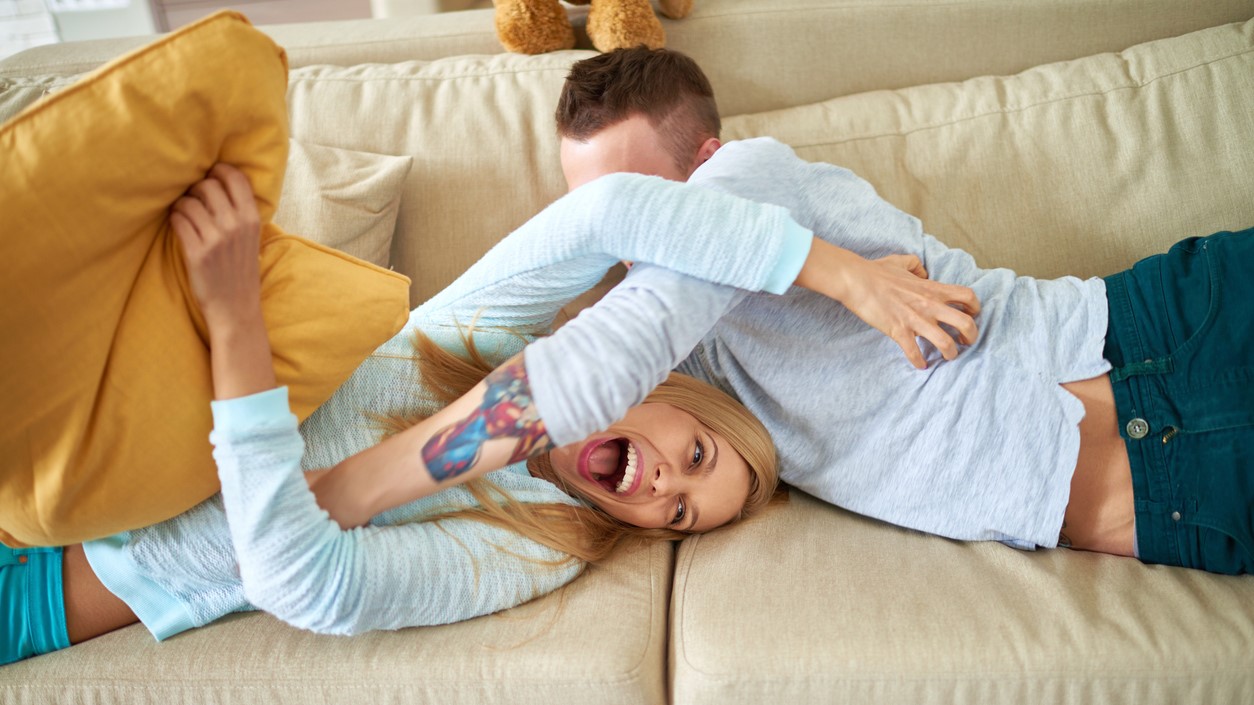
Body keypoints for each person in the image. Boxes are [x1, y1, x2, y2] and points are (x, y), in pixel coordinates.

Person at [3, 129, 977, 665]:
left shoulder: (534, 546)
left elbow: (300, 583)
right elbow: (606, 211)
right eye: (696, 455)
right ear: (670, 392)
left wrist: (239, 334)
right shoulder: (479, 342)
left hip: (46, 581)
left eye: (680, 516)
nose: (662, 490)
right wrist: (834, 273)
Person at [545, 46, 1254, 575]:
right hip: (1178, 500)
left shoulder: (754, 174)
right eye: (598, 225)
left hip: (1169, 333)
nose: (626, 246)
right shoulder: (681, 372)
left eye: (635, 207)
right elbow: (515, 370)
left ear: (707, 161)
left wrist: (846, 277)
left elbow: (707, 224)